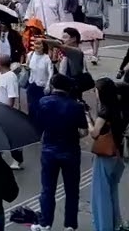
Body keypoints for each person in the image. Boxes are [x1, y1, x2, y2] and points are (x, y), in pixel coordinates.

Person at [31, 74, 86, 231]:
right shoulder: (76, 106)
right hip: (71, 150)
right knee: (72, 189)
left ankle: (45, 222)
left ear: (53, 85)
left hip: (49, 149)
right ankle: (70, 224)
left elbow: (38, 126)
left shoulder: (43, 102)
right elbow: (83, 132)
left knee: (47, 189)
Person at [88, 78, 129, 231]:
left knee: (100, 194)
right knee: (112, 191)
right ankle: (115, 224)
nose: (95, 93)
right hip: (117, 153)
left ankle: (103, 226)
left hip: (105, 154)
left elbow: (94, 133)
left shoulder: (105, 110)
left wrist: (87, 119)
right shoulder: (119, 107)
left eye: (96, 90)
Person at [0, 53, 24, 170]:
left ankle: (17, 159)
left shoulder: (10, 77)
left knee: (11, 137)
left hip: (5, 111)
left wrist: (8, 111)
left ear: (0, 64)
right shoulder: (1, 74)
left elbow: (12, 96)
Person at [25, 36, 53, 118]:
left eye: (39, 44)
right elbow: (27, 66)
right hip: (31, 84)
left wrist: (48, 85)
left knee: (41, 108)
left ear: (43, 46)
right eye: (36, 44)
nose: (37, 46)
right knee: (31, 107)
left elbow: (50, 72)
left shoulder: (47, 58)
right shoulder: (30, 55)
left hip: (42, 86)